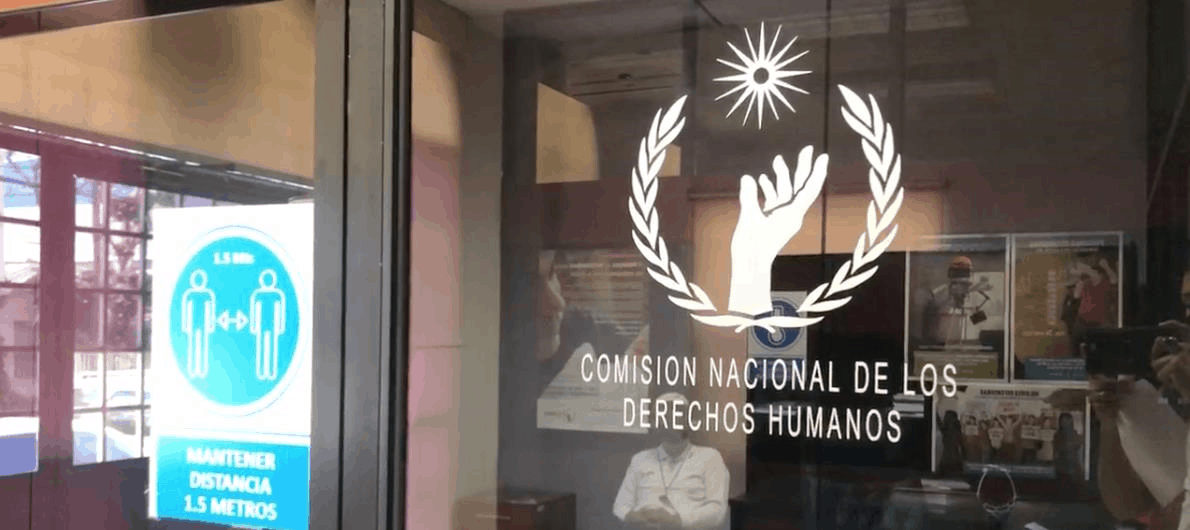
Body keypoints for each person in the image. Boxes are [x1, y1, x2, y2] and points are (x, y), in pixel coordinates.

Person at [613, 392, 729, 530]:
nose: (670, 420)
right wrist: (632, 517)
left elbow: (717, 511)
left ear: (689, 421)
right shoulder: (640, 459)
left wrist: (678, 521)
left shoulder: (710, 458)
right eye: (663, 415)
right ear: (655, 423)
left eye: (677, 414)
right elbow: (620, 505)